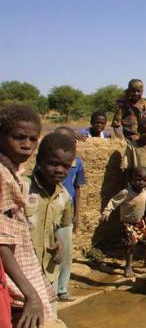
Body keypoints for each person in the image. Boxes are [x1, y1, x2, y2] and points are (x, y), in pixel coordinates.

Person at [0, 106, 49, 328]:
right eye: (18, 137)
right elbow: (2, 243)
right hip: (12, 275)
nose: (26, 144)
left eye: (32, 138)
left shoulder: (13, 172)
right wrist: (31, 295)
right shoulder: (2, 176)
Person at [23, 133, 75, 313]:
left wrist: (58, 246)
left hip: (48, 272)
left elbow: (60, 230)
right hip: (21, 275)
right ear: (39, 160)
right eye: (53, 163)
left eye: (66, 166)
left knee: (49, 318)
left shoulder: (64, 197)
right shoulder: (23, 188)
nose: (60, 170)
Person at [101, 167, 146, 278]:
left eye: (144, 180)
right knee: (130, 244)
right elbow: (113, 202)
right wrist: (107, 212)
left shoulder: (145, 192)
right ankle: (128, 267)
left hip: (140, 222)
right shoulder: (126, 193)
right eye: (138, 179)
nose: (141, 182)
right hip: (128, 223)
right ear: (131, 179)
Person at [52, 127, 87, 302]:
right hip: (50, 211)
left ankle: (62, 289)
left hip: (67, 211)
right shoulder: (46, 163)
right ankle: (49, 289)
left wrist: (77, 213)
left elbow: (78, 188)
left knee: (66, 252)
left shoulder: (78, 163)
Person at [121, 118, 146, 245]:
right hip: (139, 186)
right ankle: (140, 241)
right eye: (144, 132)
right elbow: (127, 168)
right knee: (141, 214)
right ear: (138, 131)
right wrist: (131, 186)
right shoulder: (132, 147)